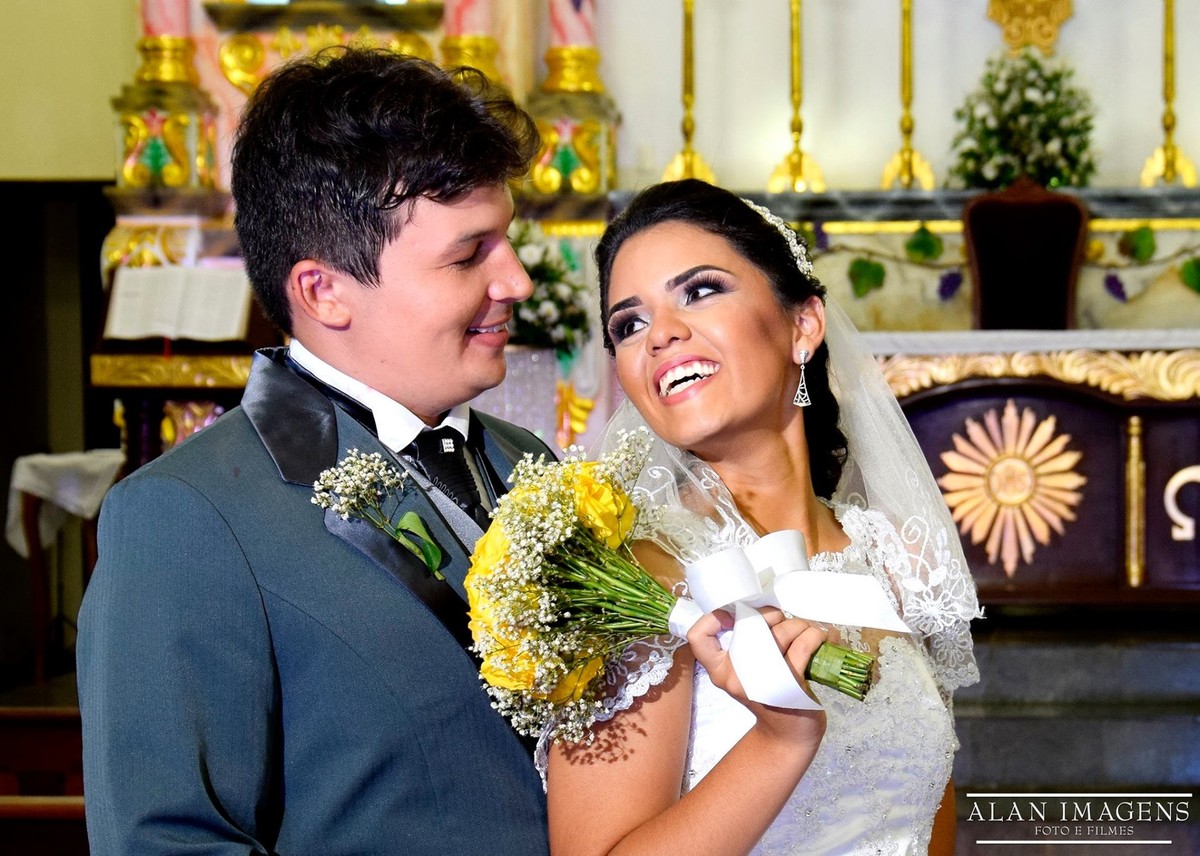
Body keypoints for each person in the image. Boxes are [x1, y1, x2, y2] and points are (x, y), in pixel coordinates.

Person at [77, 47, 552, 855]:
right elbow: (168, 842)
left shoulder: (524, 460)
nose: (516, 281)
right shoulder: (186, 516)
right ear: (323, 290)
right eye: (469, 254)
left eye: (506, 241)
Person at [544, 178, 981, 856]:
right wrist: (781, 740)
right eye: (628, 325)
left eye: (700, 290)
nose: (662, 334)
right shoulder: (635, 584)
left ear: (803, 324)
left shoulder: (895, 558)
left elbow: (929, 807)